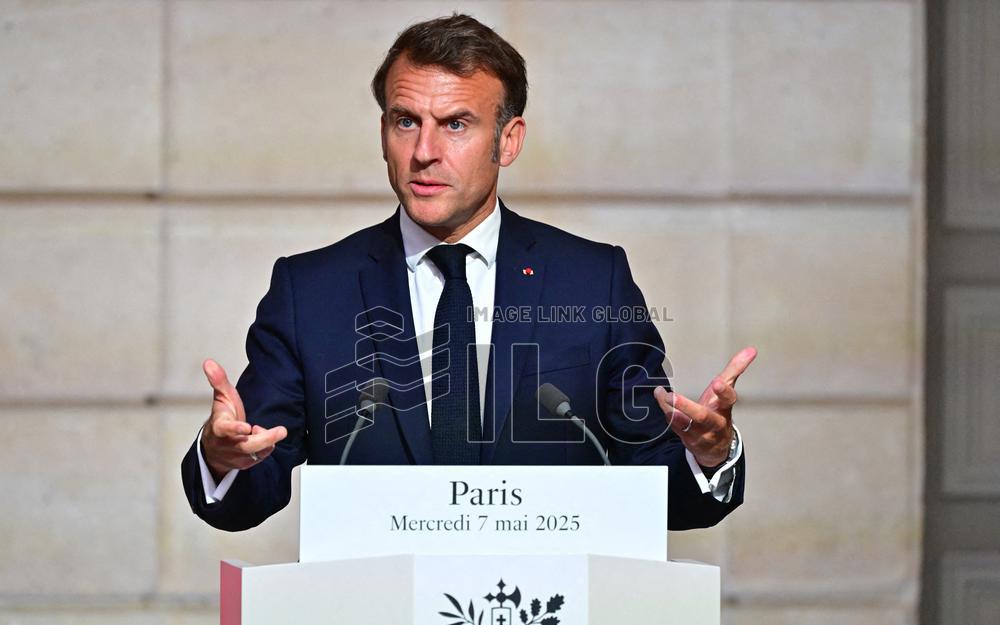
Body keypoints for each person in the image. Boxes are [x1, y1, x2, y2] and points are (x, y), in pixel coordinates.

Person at [181, 13, 756, 532]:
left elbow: (656, 484)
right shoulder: (310, 291)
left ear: (508, 141)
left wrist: (707, 456)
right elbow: (249, 480)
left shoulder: (593, 280)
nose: (424, 151)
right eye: (405, 121)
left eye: (455, 124)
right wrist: (221, 459)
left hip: (541, 624)